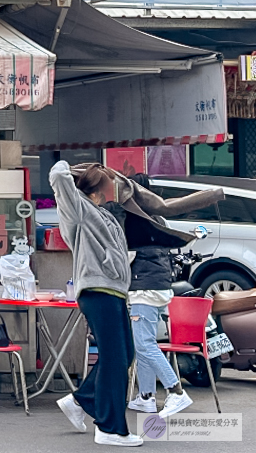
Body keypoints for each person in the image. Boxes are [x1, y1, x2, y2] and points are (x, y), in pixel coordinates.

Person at [50, 161, 141, 447]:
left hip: (112, 291)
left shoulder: (103, 213)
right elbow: (57, 175)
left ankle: (80, 400)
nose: (111, 184)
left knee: (124, 355)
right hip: (98, 290)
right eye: (105, 180)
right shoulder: (78, 210)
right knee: (115, 359)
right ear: (95, 187)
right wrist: (75, 168)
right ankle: (110, 428)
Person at [123, 174, 193, 418]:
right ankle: (146, 396)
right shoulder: (157, 217)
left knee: (144, 343)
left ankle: (176, 391)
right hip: (160, 284)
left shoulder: (133, 219)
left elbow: (126, 254)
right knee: (143, 343)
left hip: (144, 287)